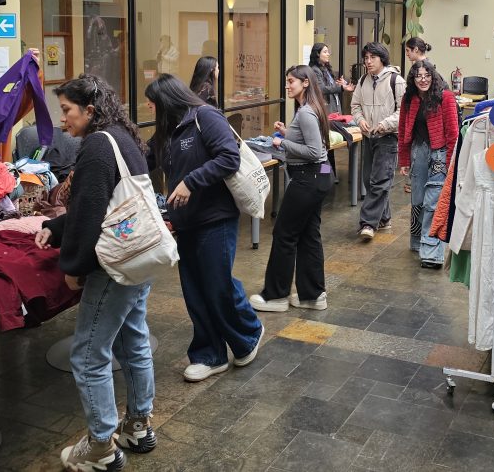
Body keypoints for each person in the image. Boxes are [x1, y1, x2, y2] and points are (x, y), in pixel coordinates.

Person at [34, 75, 156, 471]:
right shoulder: (122, 136)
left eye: (67, 110)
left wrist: (74, 267)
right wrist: (56, 227)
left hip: (112, 266)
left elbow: (90, 214)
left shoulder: (98, 146)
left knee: (88, 355)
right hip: (139, 256)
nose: (63, 119)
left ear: (89, 110)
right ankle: (138, 426)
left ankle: (101, 447)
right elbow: (106, 203)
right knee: (132, 340)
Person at [145, 75, 264, 382]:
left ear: (167, 99)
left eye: (152, 102)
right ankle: (209, 354)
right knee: (195, 290)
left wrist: (190, 182)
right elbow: (143, 159)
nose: (149, 108)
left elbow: (229, 157)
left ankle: (249, 332)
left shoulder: (205, 117)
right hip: (185, 222)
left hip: (215, 218)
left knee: (217, 284)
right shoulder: (166, 131)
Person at [250, 65, 333, 312]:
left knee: (284, 234)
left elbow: (314, 152)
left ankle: (275, 296)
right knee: (308, 235)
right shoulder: (312, 108)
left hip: (308, 178)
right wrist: (288, 133)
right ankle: (313, 296)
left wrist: (281, 142)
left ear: (305, 83)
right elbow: (316, 146)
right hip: (320, 176)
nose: (287, 86)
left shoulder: (306, 112)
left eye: (291, 81)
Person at [397, 59, 457, 269]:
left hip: (439, 154)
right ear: (413, 79)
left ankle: (431, 253)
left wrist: (450, 163)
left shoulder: (445, 97)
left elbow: (453, 133)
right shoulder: (408, 99)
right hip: (418, 152)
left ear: (433, 76)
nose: (423, 80)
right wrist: (404, 160)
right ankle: (417, 242)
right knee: (418, 199)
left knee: (433, 202)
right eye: (418, 76)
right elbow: (403, 130)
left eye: (427, 75)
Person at [351, 42, 406, 240]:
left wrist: (384, 124)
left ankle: (368, 223)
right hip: (368, 137)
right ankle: (384, 218)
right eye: (366, 58)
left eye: (372, 57)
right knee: (369, 180)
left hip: (388, 137)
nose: (368, 61)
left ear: (382, 58)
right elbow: (355, 105)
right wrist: (360, 120)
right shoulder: (363, 80)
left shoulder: (396, 81)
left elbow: (404, 111)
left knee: (380, 181)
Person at [308, 43, 352, 113]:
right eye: (325, 52)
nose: (328, 54)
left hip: (335, 104)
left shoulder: (326, 69)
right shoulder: (315, 70)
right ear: (318, 54)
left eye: (328, 52)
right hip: (326, 107)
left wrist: (340, 84)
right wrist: (341, 88)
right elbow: (322, 89)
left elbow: (330, 86)